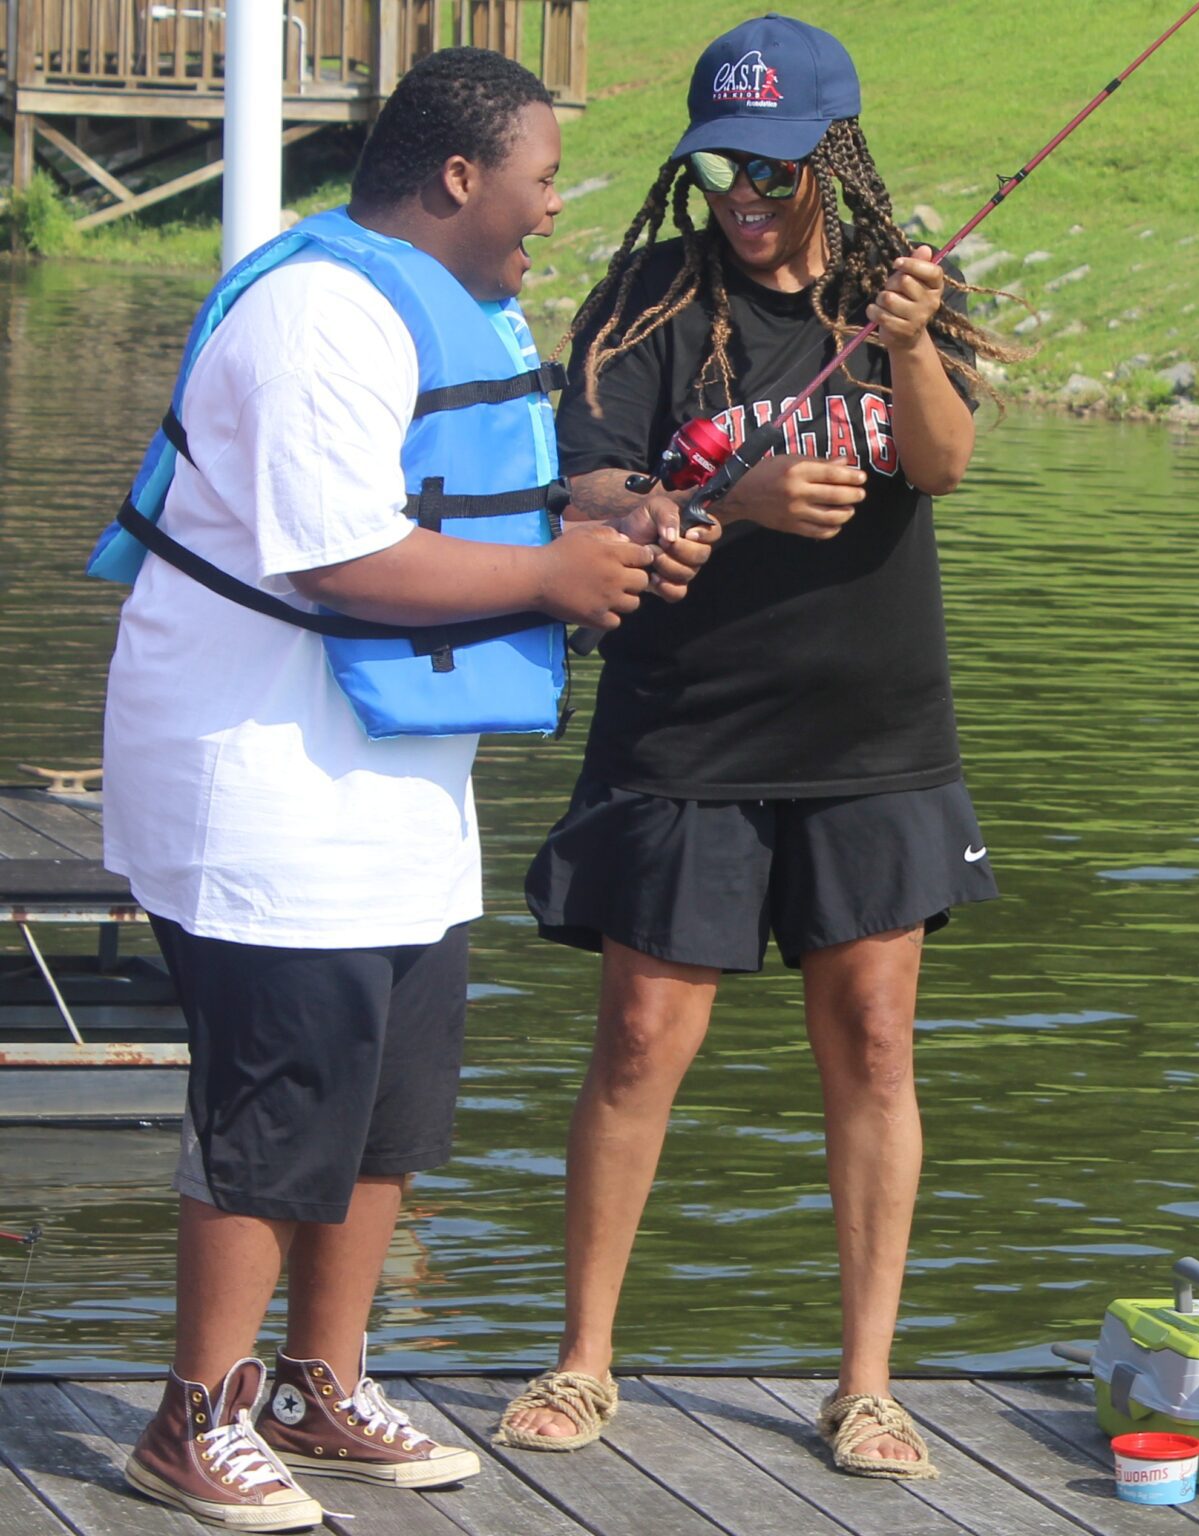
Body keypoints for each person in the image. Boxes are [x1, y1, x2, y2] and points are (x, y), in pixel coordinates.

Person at [95, 49, 714, 1531]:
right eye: (543, 178)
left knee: (386, 1101)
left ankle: (319, 1380)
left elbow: (468, 494)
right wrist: (558, 578)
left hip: (392, 794)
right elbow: (340, 554)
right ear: (458, 178)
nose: (552, 211)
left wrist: (611, 515)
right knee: (280, 1096)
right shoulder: (320, 310)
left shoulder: (449, 304)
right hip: (261, 776)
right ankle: (195, 1417)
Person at [496, 14, 1023, 1480]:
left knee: (873, 1043)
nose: (741, 185)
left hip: (876, 735)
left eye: (773, 162)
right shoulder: (651, 300)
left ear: (833, 159)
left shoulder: (897, 289)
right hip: (685, 729)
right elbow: (592, 501)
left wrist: (911, 345)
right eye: (718, 157)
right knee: (641, 1041)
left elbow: (945, 463)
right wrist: (735, 502)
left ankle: (867, 1385)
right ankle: (584, 1361)